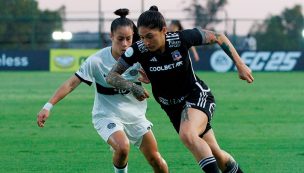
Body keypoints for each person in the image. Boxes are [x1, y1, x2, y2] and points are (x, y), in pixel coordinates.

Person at [106, 6, 254, 173]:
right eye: (141, 37)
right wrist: (132, 87)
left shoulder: (181, 39)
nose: (146, 42)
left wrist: (240, 64)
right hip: (172, 108)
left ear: (163, 30)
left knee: (187, 134)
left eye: (150, 36)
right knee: (215, 153)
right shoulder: (138, 49)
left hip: (196, 95)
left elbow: (218, 37)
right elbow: (111, 76)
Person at [36, 8, 169, 173]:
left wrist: (151, 78)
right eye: (120, 39)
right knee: (122, 147)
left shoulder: (140, 57)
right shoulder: (96, 61)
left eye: (129, 39)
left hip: (135, 116)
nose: (125, 44)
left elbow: (162, 78)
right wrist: (48, 106)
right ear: (111, 36)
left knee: (156, 160)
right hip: (106, 115)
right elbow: (71, 83)